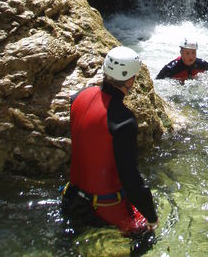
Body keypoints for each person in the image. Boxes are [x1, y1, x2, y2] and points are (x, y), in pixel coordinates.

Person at [61, 46, 159, 238]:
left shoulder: (78, 97)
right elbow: (130, 180)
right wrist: (152, 216)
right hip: (104, 207)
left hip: (70, 197)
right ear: (130, 79)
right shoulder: (123, 121)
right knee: (148, 238)